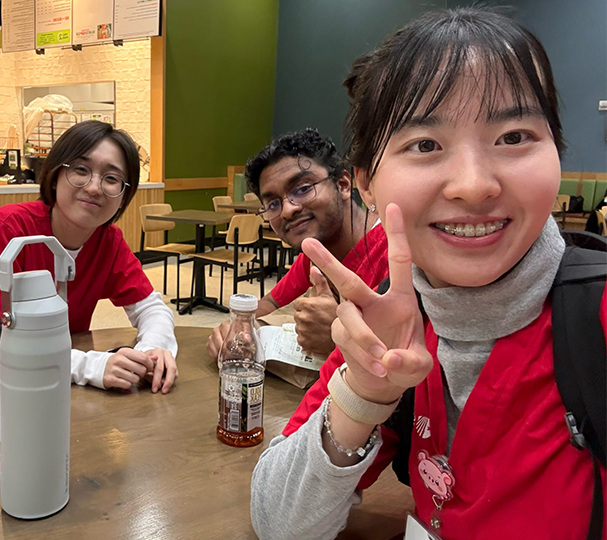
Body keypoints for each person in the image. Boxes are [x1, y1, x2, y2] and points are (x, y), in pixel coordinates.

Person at [251, 8, 606, 540]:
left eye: (513, 136)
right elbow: (279, 522)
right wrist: (366, 393)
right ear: (367, 184)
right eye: (425, 145)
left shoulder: (594, 319)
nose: (473, 185)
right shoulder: (391, 316)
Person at [0, 121, 178, 394]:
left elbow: (151, 309)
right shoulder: (8, 230)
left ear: (124, 196)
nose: (94, 188)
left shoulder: (107, 241)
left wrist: (152, 353)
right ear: (55, 175)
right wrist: (90, 366)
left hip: (63, 390)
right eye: (81, 170)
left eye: (111, 179)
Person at [207, 129, 388, 360]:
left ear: (343, 184)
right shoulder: (316, 255)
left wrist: (342, 337)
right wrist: (240, 326)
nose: (288, 210)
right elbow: (272, 301)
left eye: (303, 189)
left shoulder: (396, 253)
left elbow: (424, 368)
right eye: (272, 203)